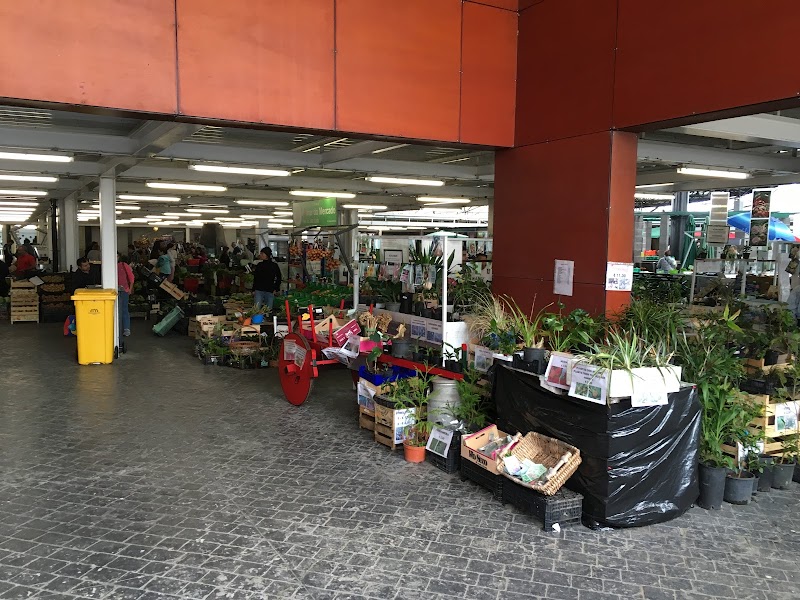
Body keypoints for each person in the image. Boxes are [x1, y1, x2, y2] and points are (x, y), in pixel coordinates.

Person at [117, 253, 134, 337]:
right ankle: (120, 328)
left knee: (124, 309)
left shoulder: (124, 265)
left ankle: (126, 329)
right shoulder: (109, 265)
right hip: (115, 291)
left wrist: (130, 289)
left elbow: (131, 278)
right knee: (122, 309)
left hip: (124, 290)